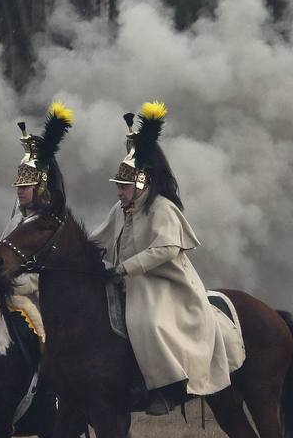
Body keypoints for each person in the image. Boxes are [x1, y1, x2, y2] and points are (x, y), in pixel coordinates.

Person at [89, 102, 232, 415]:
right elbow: (97, 239)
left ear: (141, 182)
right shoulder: (120, 210)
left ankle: (169, 388)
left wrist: (124, 268)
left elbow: (165, 249)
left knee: (150, 322)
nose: (119, 192)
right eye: (118, 186)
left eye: (124, 186)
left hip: (164, 283)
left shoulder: (162, 208)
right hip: (128, 282)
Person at [0, 101, 77, 338]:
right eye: (18, 186)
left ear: (40, 187)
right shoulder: (16, 221)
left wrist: (11, 285)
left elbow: (43, 274)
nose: (19, 191)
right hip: (11, 296)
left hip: (44, 302)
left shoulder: (50, 225)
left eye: (25, 186)